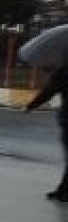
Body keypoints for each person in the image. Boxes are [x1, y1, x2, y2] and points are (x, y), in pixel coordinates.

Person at [24, 64, 68, 202]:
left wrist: (31, 106)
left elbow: (49, 91)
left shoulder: (63, 70)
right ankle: (63, 191)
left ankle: (63, 191)